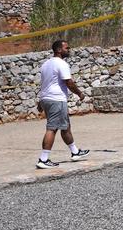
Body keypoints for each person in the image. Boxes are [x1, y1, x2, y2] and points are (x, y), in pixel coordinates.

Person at [36, 39, 89, 169]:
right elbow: (69, 82)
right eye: (67, 48)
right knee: (52, 128)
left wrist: (41, 101)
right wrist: (80, 94)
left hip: (47, 98)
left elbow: (44, 84)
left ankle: (75, 152)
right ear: (59, 50)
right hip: (56, 100)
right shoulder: (61, 64)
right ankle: (43, 159)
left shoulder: (46, 64)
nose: (69, 50)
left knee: (65, 127)